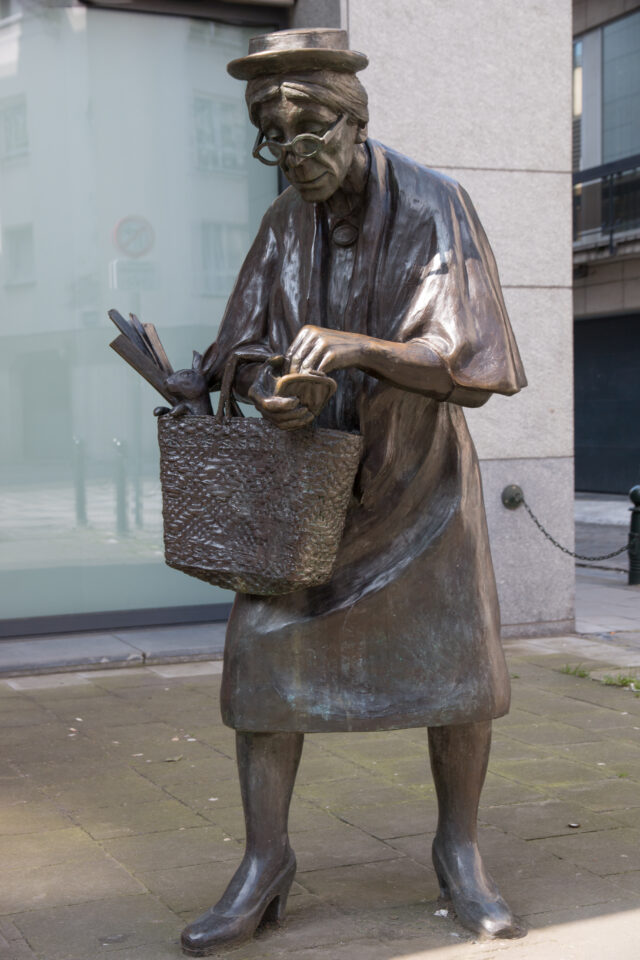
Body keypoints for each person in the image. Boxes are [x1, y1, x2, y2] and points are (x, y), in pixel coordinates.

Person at [180, 27, 527, 957]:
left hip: (421, 484)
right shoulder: (280, 223)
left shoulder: (434, 205)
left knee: (457, 675)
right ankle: (265, 862)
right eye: (274, 143)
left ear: (354, 120)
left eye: (309, 137)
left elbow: (474, 362)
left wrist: (361, 347)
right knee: (260, 661)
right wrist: (275, 395)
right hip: (311, 493)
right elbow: (241, 351)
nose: (293, 159)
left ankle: (459, 853)